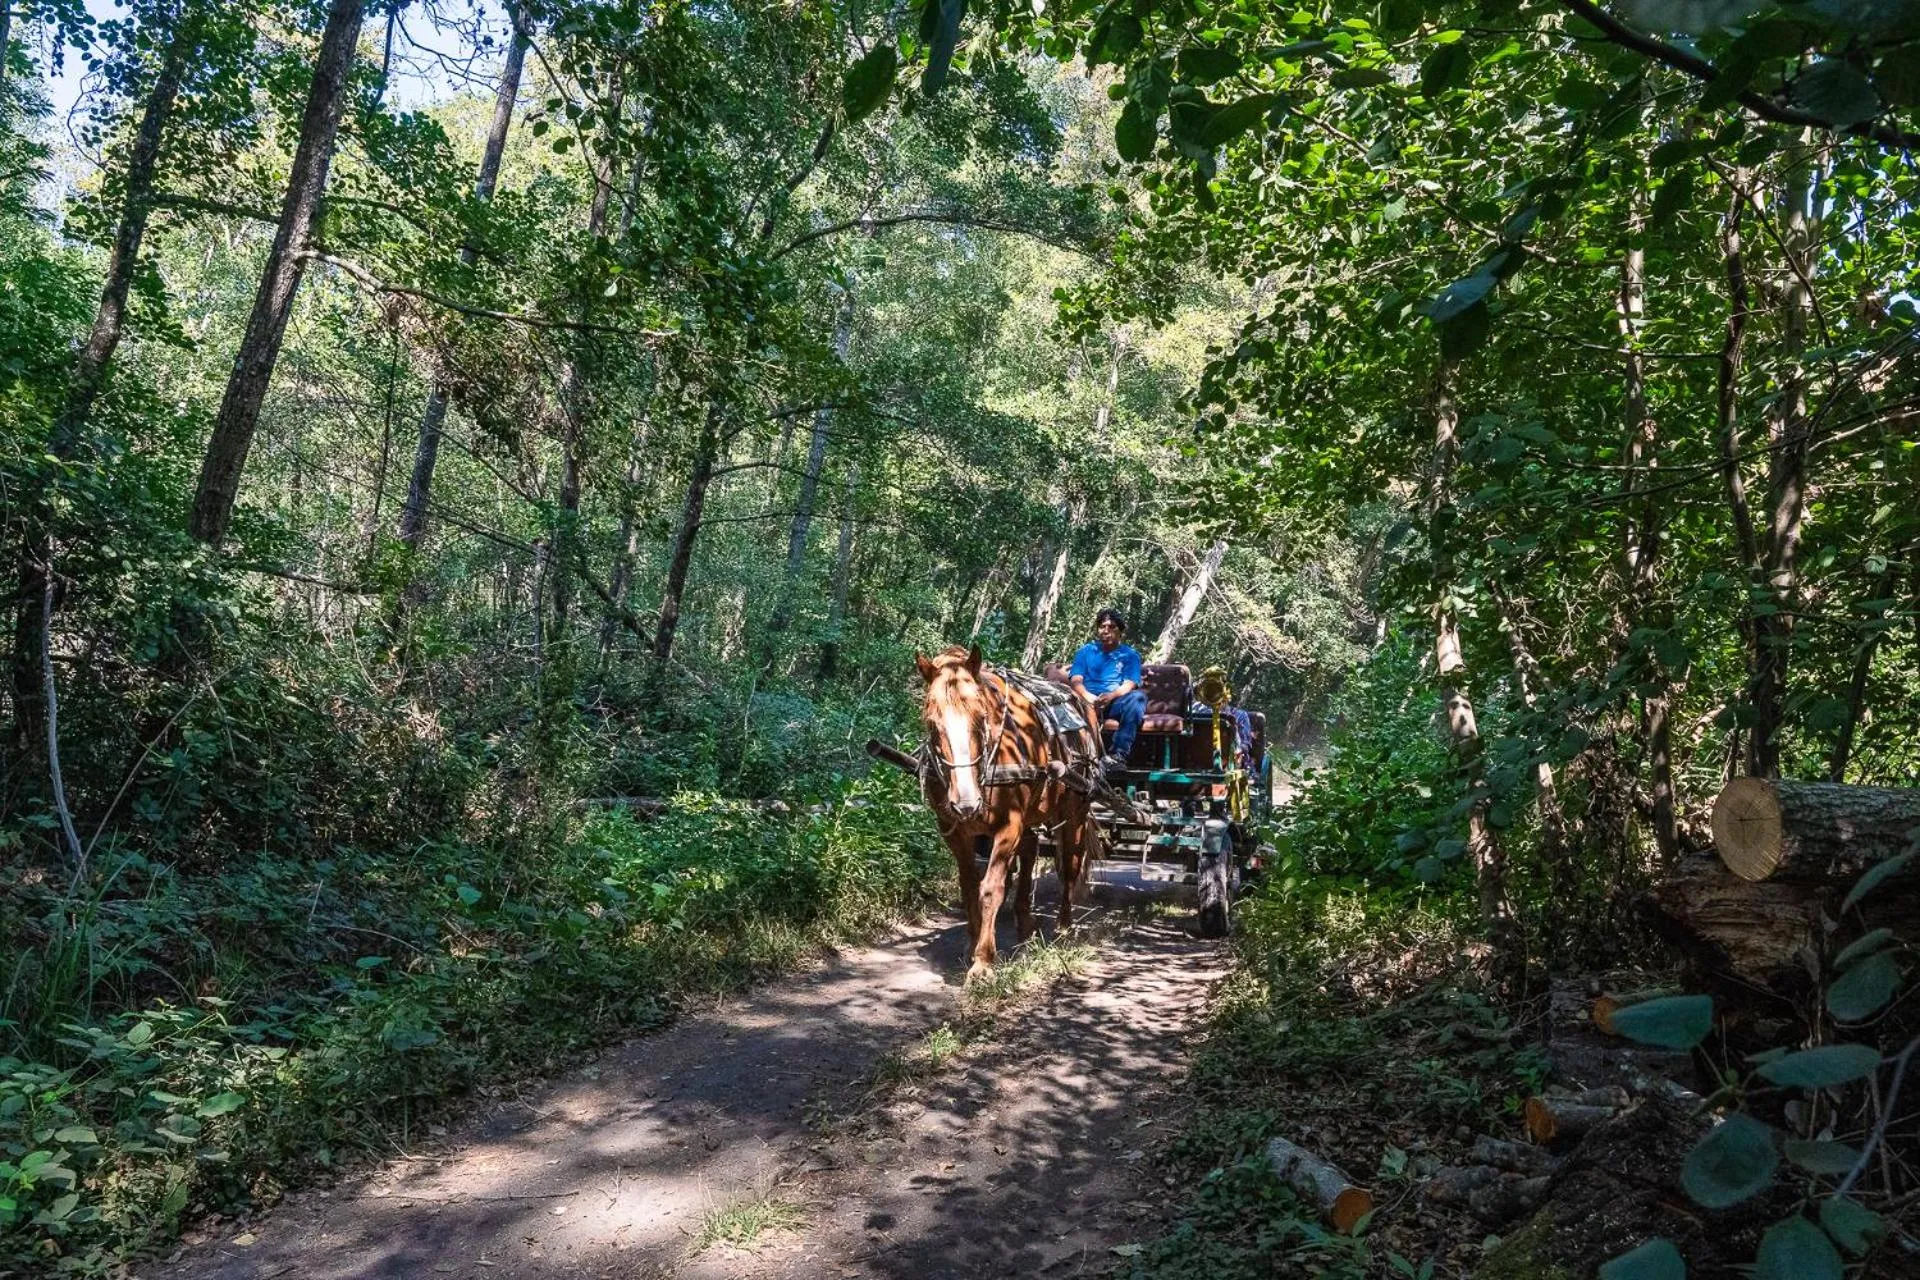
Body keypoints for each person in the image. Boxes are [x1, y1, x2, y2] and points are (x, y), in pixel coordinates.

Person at [1068, 608, 1145, 770]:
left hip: (1114, 702)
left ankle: (1118, 756)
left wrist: (1109, 697)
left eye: (1112, 627)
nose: (1106, 631)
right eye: (1102, 626)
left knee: (1138, 698)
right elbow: (1076, 680)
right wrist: (1088, 697)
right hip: (1085, 700)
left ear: (1121, 631)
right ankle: (1069, 756)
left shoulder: (1130, 655)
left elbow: (1129, 684)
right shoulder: (1085, 651)